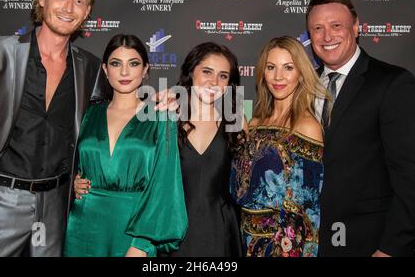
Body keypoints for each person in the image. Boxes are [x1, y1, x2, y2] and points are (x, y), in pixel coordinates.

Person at [0, 0, 108, 256]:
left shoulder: (90, 68)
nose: (69, 8)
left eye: (79, 1)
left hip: (55, 207)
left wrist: (157, 107)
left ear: (87, 12)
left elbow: (114, 115)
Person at [306, 0, 415, 257]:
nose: (327, 36)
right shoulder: (304, 87)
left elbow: (410, 176)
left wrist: (391, 248)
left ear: (356, 27)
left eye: (336, 26)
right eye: (317, 28)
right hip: (311, 243)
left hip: (369, 244)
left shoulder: (393, 83)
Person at [64, 34, 187, 257]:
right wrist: (71, 182)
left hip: (134, 229)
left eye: (133, 63)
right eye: (115, 63)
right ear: (104, 69)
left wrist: (142, 243)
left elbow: (166, 185)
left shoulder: (161, 117)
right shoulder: (88, 114)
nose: (124, 72)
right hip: (84, 227)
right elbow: (62, 158)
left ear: (145, 69)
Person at [231, 36, 329, 257]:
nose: (278, 77)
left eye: (288, 68)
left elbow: (307, 208)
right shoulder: (255, 123)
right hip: (244, 238)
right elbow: (239, 187)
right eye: (271, 67)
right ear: (262, 73)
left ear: (301, 73)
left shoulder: (307, 126)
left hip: (282, 246)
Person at [169, 42, 242, 257]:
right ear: (191, 72)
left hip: (221, 231)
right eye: (207, 72)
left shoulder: (236, 123)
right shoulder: (167, 117)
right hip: (174, 230)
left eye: (223, 76)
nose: (214, 82)